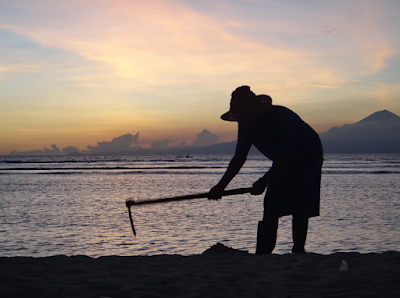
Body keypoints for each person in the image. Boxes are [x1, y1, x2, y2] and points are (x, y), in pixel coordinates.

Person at [208, 86, 323, 254]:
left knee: (300, 200)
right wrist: (221, 186)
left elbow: (288, 155)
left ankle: (298, 249)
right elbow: (239, 157)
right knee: (271, 203)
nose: (242, 120)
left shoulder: (281, 117)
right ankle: (263, 252)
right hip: (282, 159)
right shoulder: (246, 126)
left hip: (308, 156)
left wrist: (263, 181)